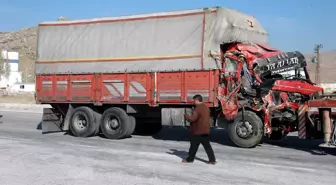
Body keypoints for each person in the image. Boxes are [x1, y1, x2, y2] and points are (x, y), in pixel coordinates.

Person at [182, 94, 216, 164]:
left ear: (197, 100)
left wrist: (186, 116)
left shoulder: (197, 108)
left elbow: (192, 119)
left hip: (197, 131)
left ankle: (190, 159)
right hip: (205, 130)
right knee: (207, 146)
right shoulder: (206, 107)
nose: (193, 102)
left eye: (194, 100)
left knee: (193, 147)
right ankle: (212, 160)